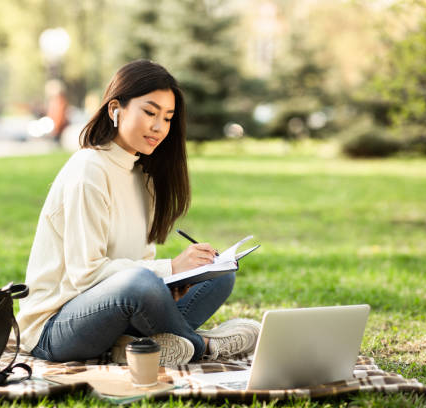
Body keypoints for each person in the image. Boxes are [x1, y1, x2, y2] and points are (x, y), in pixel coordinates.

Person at [17, 60, 260, 366]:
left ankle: (132, 347)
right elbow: (85, 276)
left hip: (116, 314)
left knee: (218, 275)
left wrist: (178, 281)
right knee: (140, 284)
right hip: (54, 329)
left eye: (168, 118)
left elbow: (142, 263)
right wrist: (169, 268)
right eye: (150, 112)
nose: (159, 127)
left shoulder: (143, 177)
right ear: (115, 109)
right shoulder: (88, 170)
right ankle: (205, 346)